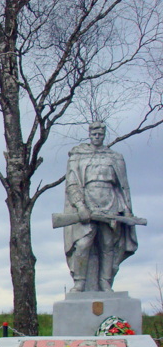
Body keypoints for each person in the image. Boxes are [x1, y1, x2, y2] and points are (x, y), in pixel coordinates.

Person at [63, 121, 138, 292]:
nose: (97, 137)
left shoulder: (115, 157)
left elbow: (122, 186)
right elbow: (72, 183)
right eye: (94, 134)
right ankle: (80, 281)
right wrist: (80, 206)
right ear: (89, 134)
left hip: (111, 203)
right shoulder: (78, 156)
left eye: (100, 134)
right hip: (87, 201)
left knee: (108, 244)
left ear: (104, 135)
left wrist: (126, 209)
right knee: (83, 244)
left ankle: (105, 281)